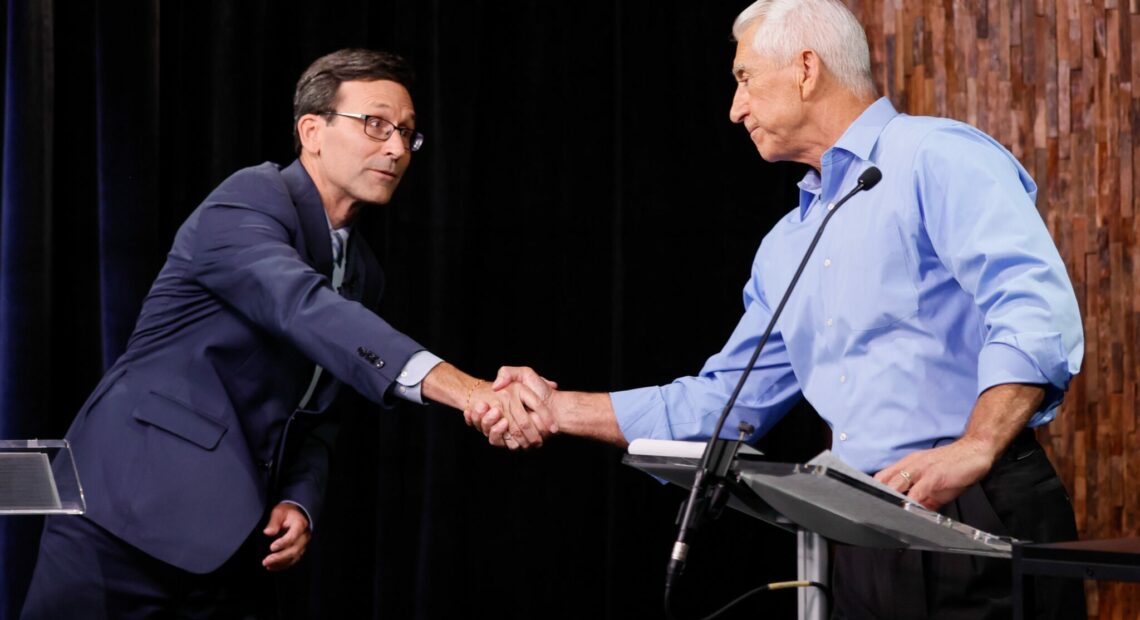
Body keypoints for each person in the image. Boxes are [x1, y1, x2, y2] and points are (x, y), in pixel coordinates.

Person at [474, 1, 1086, 617]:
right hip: (866, 531)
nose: (734, 109)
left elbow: (1032, 305)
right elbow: (720, 407)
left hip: (979, 506)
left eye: (743, 79)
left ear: (806, 68)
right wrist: (553, 409)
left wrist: (976, 444)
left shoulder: (935, 155)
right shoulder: (786, 246)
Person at [21, 48, 552, 619]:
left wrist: (302, 498)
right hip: (119, 521)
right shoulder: (249, 198)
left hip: (233, 540)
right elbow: (304, 307)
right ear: (312, 131)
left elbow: (318, 414)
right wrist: (467, 389)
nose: (396, 148)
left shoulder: (364, 270)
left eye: (407, 133)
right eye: (375, 124)